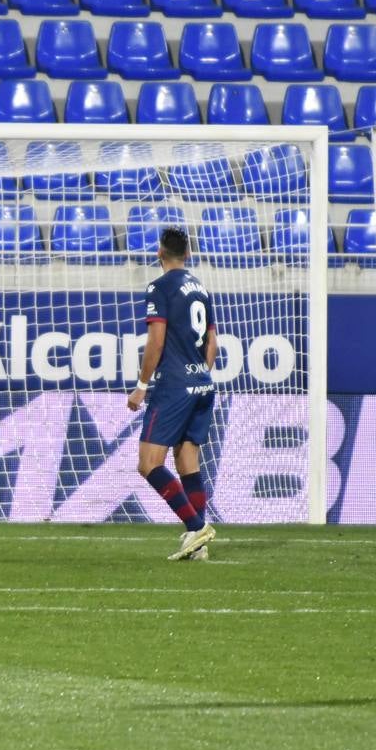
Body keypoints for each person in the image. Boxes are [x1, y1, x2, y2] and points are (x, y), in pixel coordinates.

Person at [127, 227, 218, 561]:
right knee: (187, 460)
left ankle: (196, 526)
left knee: (149, 463)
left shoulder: (159, 287)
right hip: (202, 384)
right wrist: (199, 374)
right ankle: (198, 546)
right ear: (188, 255)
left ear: (158, 253)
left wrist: (141, 386)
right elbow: (213, 344)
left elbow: (157, 340)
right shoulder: (200, 289)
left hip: (174, 386)